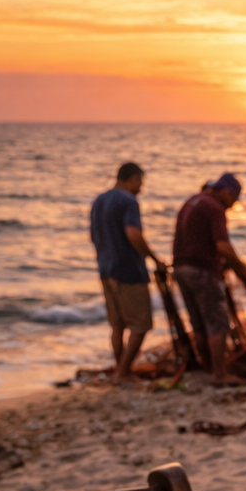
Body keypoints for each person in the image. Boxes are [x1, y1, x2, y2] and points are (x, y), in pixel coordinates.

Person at [172, 172, 246, 386]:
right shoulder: (215, 208)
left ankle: (208, 369)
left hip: (180, 269)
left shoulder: (192, 201)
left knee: (198, 324)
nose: (233, 205)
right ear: (226, 192)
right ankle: (219, 374)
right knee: (217, 323)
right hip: (201, 271)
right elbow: (223, 246)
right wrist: (240, 266)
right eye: (233, 199)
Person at [90, 161, 161, 385]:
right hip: (128, 270)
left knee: (118, 325)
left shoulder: (99, 201)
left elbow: (94, 235)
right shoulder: (129, 201)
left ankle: (121, 369)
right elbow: (133, 233)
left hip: (105, 268)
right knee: (141, 325)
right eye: (140, 182)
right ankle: (123, 373)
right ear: (133, 178)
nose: (141, 188)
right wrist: (154, 258)